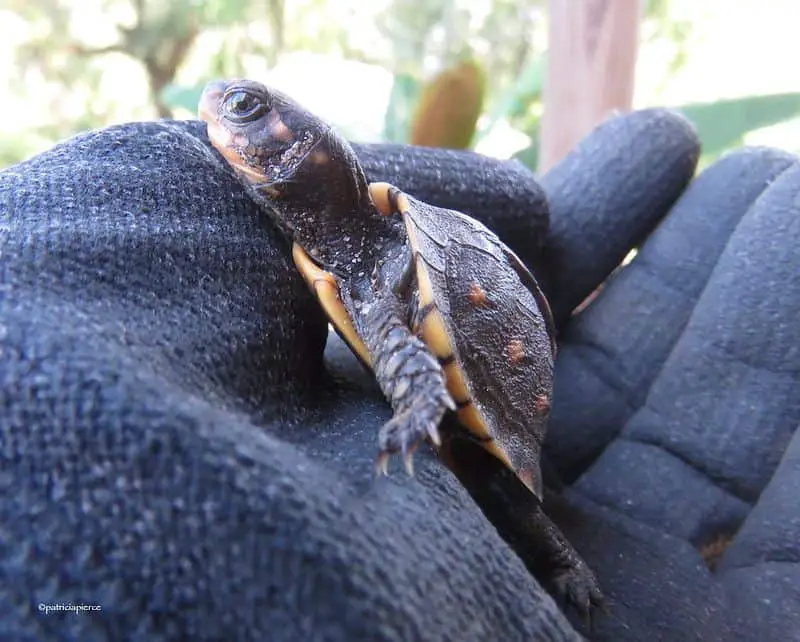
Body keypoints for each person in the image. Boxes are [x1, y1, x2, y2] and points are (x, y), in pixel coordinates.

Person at [0, 107, 797, 642]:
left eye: (246, 110)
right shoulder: (336, 238)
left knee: (503, 490)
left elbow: (395, 332)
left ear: (296, 157)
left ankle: (563, 562)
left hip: (484, 363)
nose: (221, 114)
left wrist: (417, 397)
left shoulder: (372, 262)